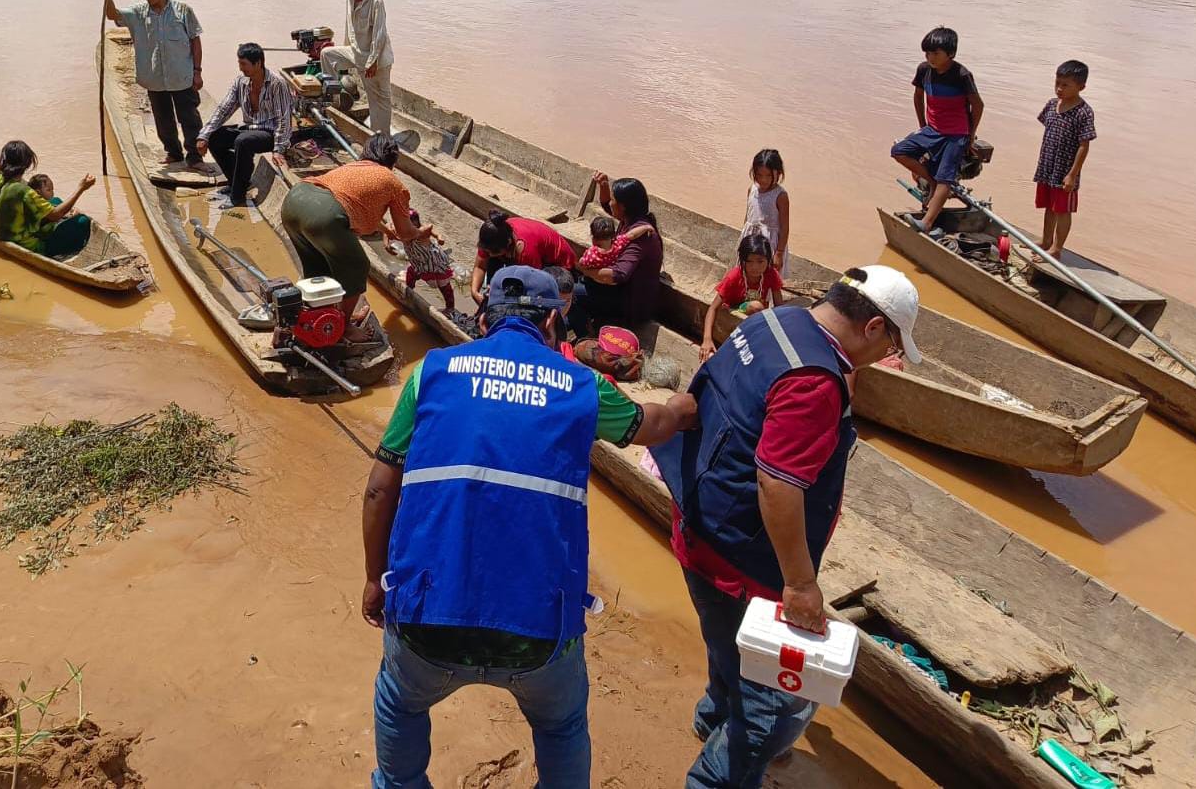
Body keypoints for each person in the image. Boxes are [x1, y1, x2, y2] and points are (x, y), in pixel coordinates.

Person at [361, 266, 698, 789]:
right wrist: (681, 407)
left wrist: (372, 578)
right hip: (538, 633)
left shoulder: (431, 374)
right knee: (561, 725)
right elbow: (649, 426)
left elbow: (381, 488)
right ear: (552, 320)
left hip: (427, 619)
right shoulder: (581, 386)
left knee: (400, 705)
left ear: (483, 316)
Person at [651, 265, 922, 789]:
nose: (886, 357)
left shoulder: (774, 321)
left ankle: (711, 718)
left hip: (698, 522)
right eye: (890, 343)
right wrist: (800, 584)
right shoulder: (813, 382)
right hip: (743, 558)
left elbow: (702, 395)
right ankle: (713, 778)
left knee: (727, 648)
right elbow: (778, 484)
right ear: (871, 328)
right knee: (770, 707)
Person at [280, 134, 425, 334]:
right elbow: (406, 233)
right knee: (357, 265)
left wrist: (384, 229)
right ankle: (343, 328)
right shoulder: (393, 182)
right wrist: (423, 232)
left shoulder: (353, 167)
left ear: (366, 153)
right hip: (323, 214)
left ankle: (320, 317)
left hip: (294, 201)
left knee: (317, 267)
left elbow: (353, 202)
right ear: (393, 160)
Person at [101, 0, 205, 167]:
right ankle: (173, 153)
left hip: (181, 77)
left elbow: (195, 41)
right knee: (163, 121)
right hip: (155, 79)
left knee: (190, 119)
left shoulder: (183, 11)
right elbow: (111, 14)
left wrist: (197, 72)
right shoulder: (139, 13)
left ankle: (194, 157)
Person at [891, 26, 984, 234]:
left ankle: (927, 222)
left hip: (956, 133)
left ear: (950, 54)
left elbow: (978, 106)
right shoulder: (924, 70)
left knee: (946, 177)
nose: (930, 57)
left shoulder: (961, 75)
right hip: (932, 129)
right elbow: (918, 96)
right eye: (927, 53)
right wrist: (922, 125)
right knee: (899, 151)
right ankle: (931, 182)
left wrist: (969, 136)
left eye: (935, 53)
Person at [196, 42, 295, 207]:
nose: (241, 68)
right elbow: (223, 110)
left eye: (244, 64)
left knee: (243, 142)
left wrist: (279, 149)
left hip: (269, 133)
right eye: (239, 64)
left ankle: (237, 197)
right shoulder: (240, 82)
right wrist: (205, 134)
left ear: (258, 63)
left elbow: (283, 119)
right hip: (249, 129)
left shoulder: (277, 84)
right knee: (216, 138)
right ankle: (237, 181)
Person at [574, 173, 662, 335]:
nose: (610, 203)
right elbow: (607, 204)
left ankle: (587, 335)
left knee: (572, 293)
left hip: (630, 302)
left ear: (623, 207)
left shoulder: (642, 236)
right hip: (620, 290)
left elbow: (617, 275)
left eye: (614, 200)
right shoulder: (630, 220)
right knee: (577, 282)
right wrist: (604, 185)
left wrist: (584, 269)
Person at [0, 140, 96, 257]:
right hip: (24, 244)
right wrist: (81, 188)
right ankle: (56, 253)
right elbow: (56, 214)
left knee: (55, 201)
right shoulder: (22, 191)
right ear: (27, 164)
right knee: (83, 221)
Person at [319, 0, 394, 135]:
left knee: (379, 101)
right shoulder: (349, 0)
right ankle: (335, 99)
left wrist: (372, 61)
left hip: (377, 59)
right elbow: (350, 28)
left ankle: (381, 137)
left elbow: (379, 34)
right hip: (356, 52)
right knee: (326, 54)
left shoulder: (376, 1)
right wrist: (346, 50)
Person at [1034, 60, 1096, 259]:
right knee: (1048, 206)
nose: (1059, 89)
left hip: (1065, 171)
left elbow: (1084, 146)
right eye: (1057, 83)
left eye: (1065, 85)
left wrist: (1072, 175)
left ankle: (1057, 248)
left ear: (1081, 87)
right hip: (1048, 166)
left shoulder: (1083, 112)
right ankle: (1045, 241)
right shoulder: (1052, 105)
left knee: (1062, 210)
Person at [700, 233, 785, 363]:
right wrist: (707, 339)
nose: (755, 267)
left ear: (768, 260)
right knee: (757, 306)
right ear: (742, 261)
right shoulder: (734, 276)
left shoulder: (771, 274)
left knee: (761, 308)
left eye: (760, 261)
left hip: (757, 313)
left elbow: (780, 307)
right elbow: (713, 308)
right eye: (749, 262)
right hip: (734, 310)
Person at [471, 211, 577, 308]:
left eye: (493, 252)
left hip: (557, 266)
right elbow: (480, 266)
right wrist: (474, 292)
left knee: (526, 303)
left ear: (508, 243)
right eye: (487, 251)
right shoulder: (493, 235)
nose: (488, 254)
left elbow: (532, 290)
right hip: (522, 255)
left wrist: (506, 300)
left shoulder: (527, 253)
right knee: (493, 265)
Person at [385, 208, 457, 312]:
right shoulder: (400, 232)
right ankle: (408, 293)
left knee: (444, 287)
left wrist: (438, 237)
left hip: (434, 265)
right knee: (411, 273)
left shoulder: (421, 234)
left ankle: (450, 308)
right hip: (418, 264)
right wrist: (386, 244)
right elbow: (387, 228)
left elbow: (429, 227)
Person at [741, 149, 790, 279]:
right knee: (748, 274)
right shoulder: (751, 190)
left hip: (769, 244)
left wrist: (779, 253)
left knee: (767, 277)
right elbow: (747, 217)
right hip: (751, 239)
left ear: (778, 173)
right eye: (759, 175)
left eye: (768, 176)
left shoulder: (780, 196)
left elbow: (785, 227)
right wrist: (743, 239)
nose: (763, 180)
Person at [578, 214, 652, 271]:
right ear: (613, 235)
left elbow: (582, 264)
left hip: (596, 282)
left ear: (594, 238)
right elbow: (632, 234)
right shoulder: (618, 244)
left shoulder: (591, 254)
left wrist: (581, 261)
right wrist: (646, 227)